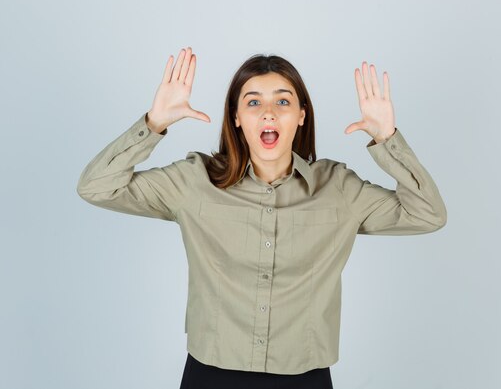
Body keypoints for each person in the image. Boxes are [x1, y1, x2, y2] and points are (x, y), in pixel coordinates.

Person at [76, 46, 447, 389]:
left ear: (301, 115)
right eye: (253, 102)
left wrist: (387, 138)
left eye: (282, 101)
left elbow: (427, 214)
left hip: (304, 376)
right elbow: (96, 186)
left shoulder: (338, 188)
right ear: (236, 118)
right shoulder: (194, 180)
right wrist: (153, 123)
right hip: (210, 374)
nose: (268, 112)